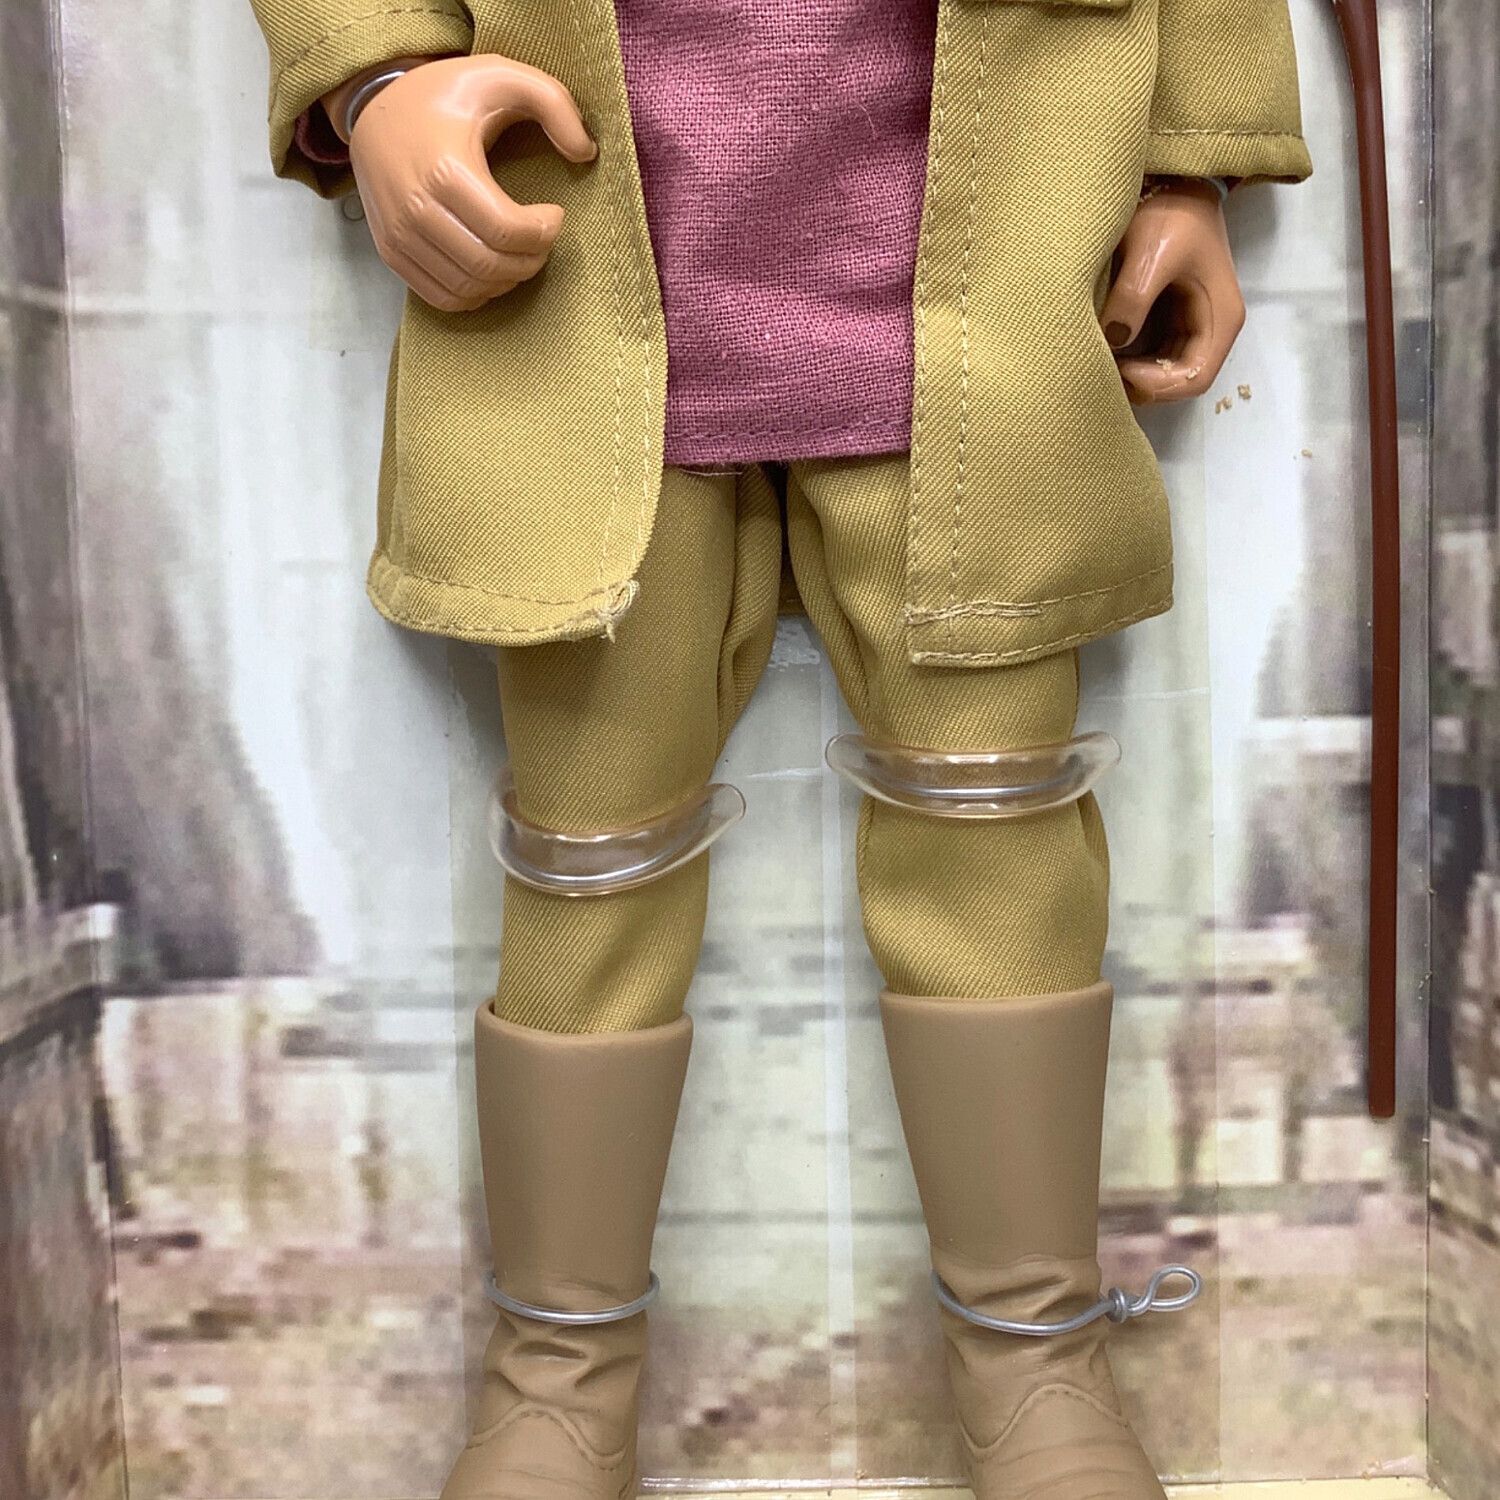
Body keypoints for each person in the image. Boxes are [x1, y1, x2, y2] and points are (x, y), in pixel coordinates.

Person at [246, 2, 1312, 1494]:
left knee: (997, 841)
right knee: (588, 858)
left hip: (987, 322)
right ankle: (557, 1376)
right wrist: (377, 78)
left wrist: (1190, 164)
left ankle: (1034, 1364)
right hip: (580, 323)